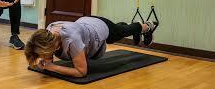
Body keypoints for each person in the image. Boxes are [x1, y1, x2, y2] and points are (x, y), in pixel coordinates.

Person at [24, 16, 157, 77]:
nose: (42, 58)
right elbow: (47, 58)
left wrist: (52, 66)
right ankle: (124, 25)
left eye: (42, 54)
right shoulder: (48, 33)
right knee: (119, 30)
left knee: (120, 33)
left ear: (50, 47)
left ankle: (147, 26)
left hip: (100, 27)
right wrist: (46, 62)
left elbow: (81, 72)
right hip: (85, 23)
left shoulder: (72, 40)